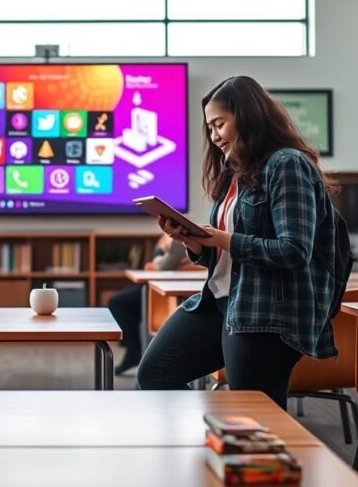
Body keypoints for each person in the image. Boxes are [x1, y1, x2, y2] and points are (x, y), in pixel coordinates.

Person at [136, 75, 340, 407]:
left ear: (247, 116)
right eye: (210, 128)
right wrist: (199, 244)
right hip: (219, 301)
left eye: (220, 124)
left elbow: (294, 251)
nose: (214, 136)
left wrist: (225, 239)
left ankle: (253, 456)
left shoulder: (286, 164)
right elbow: (227, 254)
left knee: (256, 414)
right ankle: (204, 447)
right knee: (155, 373)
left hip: (264, 311)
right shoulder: (237, 173)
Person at [107, 234, 192, 375]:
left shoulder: (180, 237)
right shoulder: (171, 237)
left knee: (118, 302)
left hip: (165, 291)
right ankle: (134, 350)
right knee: (126, 304)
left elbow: (164, 266)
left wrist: (158, 252)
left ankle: (134, 351)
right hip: (164, 288)